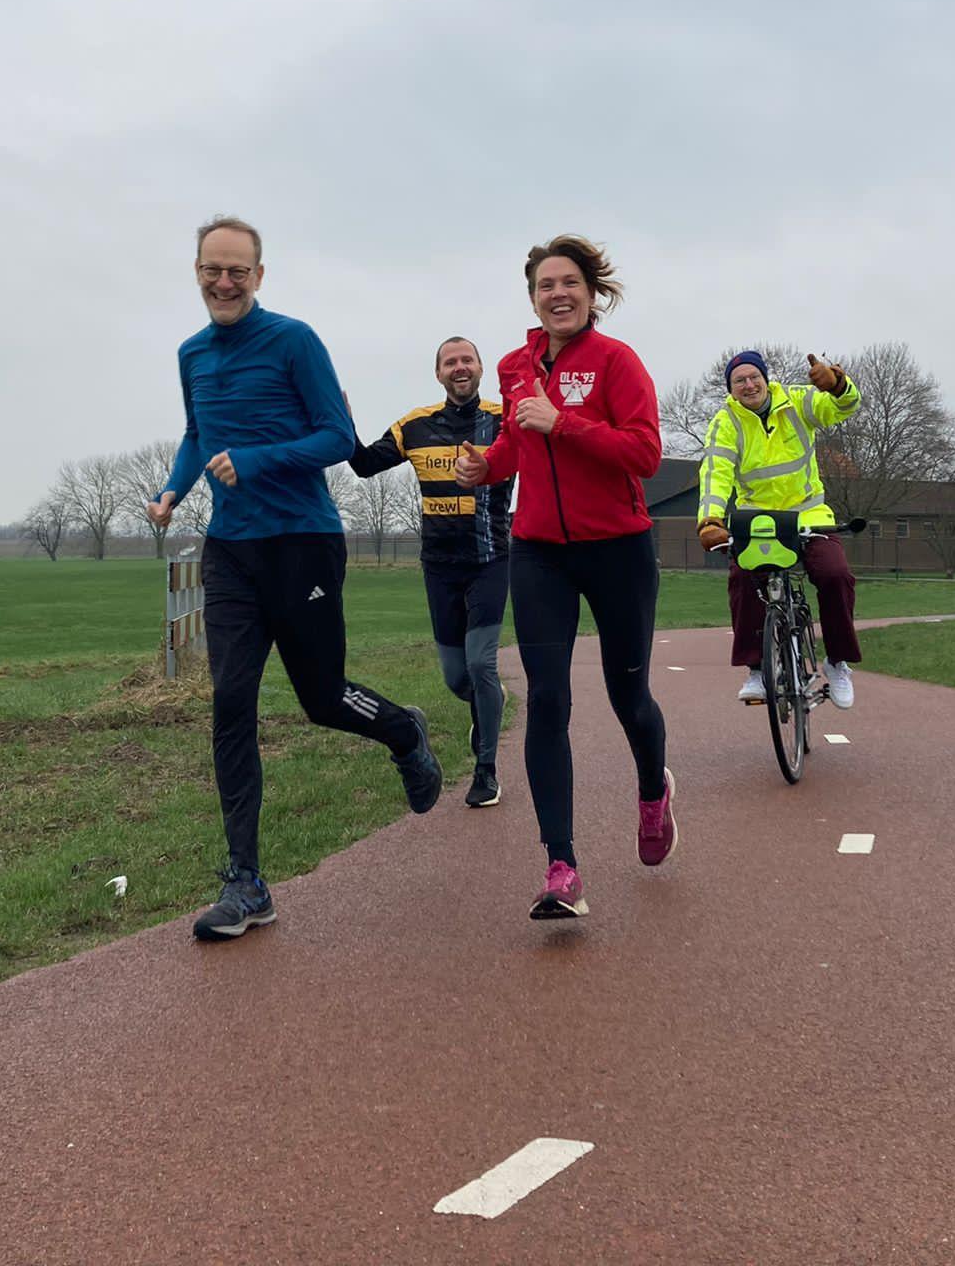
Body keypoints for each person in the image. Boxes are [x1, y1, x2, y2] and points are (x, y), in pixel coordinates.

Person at [150, 216, 442, 943]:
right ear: (195, 271)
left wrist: (256, 458)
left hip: (304, 544)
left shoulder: (294, 341)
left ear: (259, 275)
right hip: (232, 552)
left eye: (238, 272)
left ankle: (404, 730)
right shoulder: (190, 354)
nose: (224, 282)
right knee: (230, 700)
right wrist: (173, 490)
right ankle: (244, 880)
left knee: (320, 699)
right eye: (212, 270)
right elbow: (197, 434)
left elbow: (337, 437)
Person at [454, 234, 672, 921]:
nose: (558, 294)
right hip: (540, 549)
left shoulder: (617, 361)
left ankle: (652, 792)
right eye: (546, 285)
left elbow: (644, 454)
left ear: (591, 292)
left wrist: (565, 421)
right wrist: (485, 466)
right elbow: (519, 444)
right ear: (532, 297)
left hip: (618, 549)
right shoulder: (516, 366)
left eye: (569, 283)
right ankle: (562, 867)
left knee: (627, 696)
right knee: (547, 701)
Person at [349, 337, 513, 808]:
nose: (460, 367)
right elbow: (362, 465)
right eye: (450, 362)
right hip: (439, 567)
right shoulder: (415, 425)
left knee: (482, 663)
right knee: (458, 679)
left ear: (480, 368)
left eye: (467, 360)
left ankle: (486, 771)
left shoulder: (504, 421)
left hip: (491, 560)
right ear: (438, 374)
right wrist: (338, 420)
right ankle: (487, 702)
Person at [695, 350, 864, 709]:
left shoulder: (798, 401)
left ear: (765, 378)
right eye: (739, 380)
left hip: (808, 515)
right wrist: (710, 519)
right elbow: (716, 472)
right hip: (757, 522)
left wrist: (838, 387)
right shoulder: (726, 422)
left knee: (835, 575)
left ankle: (837, 663)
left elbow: (844, 408)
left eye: (753, 376)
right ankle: (756, 669)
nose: (748, 384)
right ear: (730, 388)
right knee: (742, 578)